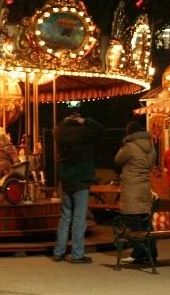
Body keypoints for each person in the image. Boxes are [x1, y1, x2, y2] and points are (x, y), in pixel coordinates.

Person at [51, 111, 105, 263]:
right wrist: (86, 120)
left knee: (66, 216)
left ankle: (59, 252)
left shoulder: (60, 133)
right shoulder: (85, 132)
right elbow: (101, 129)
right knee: (79, 217)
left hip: (66, 179)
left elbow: (58, 128)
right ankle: (77, 254)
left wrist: (65, 121)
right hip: (81, 178)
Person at [114, 121, 158, 264]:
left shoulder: (129, 147)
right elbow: (151, 165)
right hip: (145, 187)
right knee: (146, 221)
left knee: (134, 223)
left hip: (131, 188)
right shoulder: (151, 147)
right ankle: (152, 253)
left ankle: (138, 253)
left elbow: (117, 160)